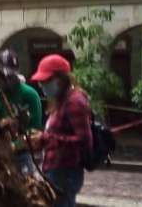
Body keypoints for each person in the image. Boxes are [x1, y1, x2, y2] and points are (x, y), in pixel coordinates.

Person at [30, 54, 92, 207]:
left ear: (61, 79)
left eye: (46, 81)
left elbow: (84, 141)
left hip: (65, 173)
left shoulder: (75, 102)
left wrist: (46, 139)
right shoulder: (61, 100)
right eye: (40, 81)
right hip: (56, 170)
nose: (41, 85)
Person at [0, 48, 43, 176]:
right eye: (2, 76)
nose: (6, 79)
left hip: (23, 155)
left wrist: (14, 145)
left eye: (9, 76)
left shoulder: (29, 95)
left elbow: (35, 130)